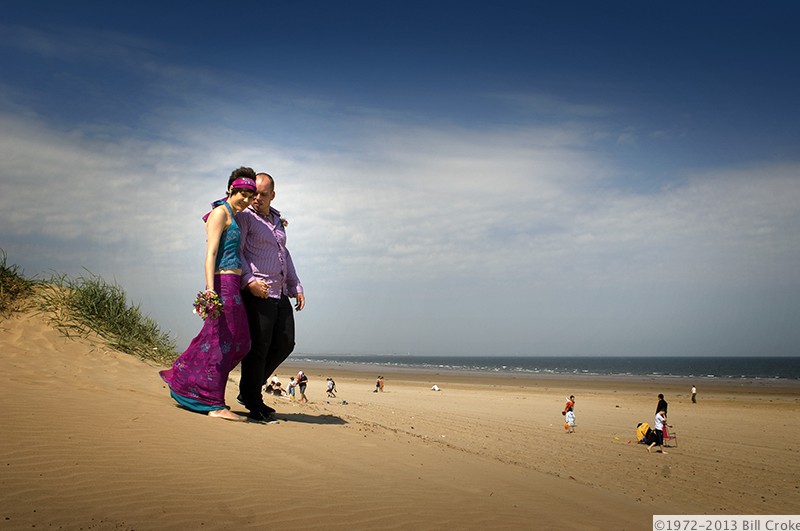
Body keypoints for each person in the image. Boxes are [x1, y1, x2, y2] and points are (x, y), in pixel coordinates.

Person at [159, 170, 257, 421]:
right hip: (222, 283)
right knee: (222, 343)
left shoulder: (234, 215)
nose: (247, 200)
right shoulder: (219, 213)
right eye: (243, 195)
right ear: (230, 191)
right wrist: (210, 289)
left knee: (240, 342)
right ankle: (213, 403)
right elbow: (210, 254)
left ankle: (184, 374)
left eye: (250, 196)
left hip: (233, 284)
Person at [236, 172, 305, 422]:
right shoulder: (246, 218)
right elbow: (238, 251)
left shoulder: (277, 218)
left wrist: (295, 284)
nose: (257, 198)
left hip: (279, 290)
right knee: (259, 349)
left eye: (263, 194)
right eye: (254, 193)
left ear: (272, 195)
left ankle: (248, 390)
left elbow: (283, 254)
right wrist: (249, 281)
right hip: (258, 291)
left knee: (286, 342)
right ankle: (254, 400)